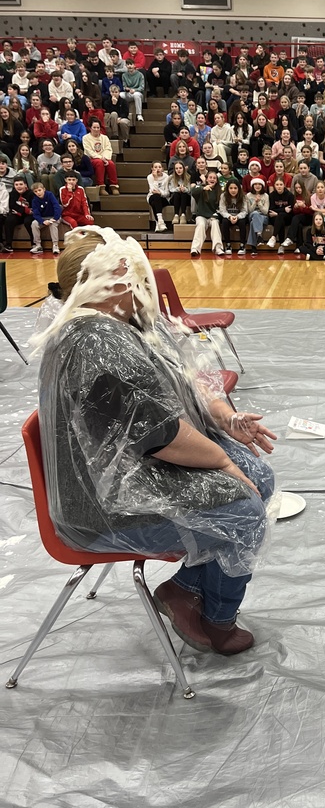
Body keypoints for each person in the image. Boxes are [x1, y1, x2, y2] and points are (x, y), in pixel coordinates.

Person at [36, 228, 277, 655]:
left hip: (132, 467)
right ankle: (219, 620)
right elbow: (160, 435)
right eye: (136, 276)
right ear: (112, 281)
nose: (144, 284)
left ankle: (185, 589)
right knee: (244, 508)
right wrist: (223, 463)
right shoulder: (96, 342)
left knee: (257, 473)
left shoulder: (120, 320)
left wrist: (227, 416)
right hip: (100, 508)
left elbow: (186, 376)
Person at [190, 169, 225, 257]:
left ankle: (218, 248)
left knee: (215, 224)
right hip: (201, 215)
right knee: (201, 225)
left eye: (214, 178)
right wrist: (203, 186)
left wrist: (217, 214)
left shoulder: (220, 191)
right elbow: (193, 191)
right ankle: (195, 248)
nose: (212, 179)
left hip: (213, 216)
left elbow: (221, 207)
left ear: (217, 181)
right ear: (207, 179)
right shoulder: (201, 188)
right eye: (210, 177)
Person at [83, 120, 120, 195]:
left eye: (98, 127)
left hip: (104, 158)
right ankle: (101, 187)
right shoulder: (85, 138)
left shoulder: (104, 138)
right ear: (90, 128)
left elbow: (108, 149)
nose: (96, 129)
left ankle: (114, 186)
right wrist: (101, 158)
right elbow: (89, 151)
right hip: (91, 159)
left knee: (111, 164)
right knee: (99, 163)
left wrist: (105, 158)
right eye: (94, 127)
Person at [30, 181, 62, 254]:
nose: (38, 193)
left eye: (39, 190)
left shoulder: (50, 195)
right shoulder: (34, 200)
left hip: (54, 216)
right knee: (34, 224)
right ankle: (38, 245)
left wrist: (54, 218)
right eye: (36, 191)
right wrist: (42, 221)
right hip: (43, 218)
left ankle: (55, 245)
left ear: (44, 189)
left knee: (52, 224)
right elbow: (36, 214)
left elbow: (57, 207)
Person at [218, 180, 249, 255]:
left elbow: (245, 211)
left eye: (235, 188)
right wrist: (230, 217)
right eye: (231, 188)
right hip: (228, 216)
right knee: (224, 221)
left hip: (239, 216)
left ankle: (242, 245)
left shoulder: (243, 196)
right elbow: (222, 210)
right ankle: (228, 245)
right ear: (227, 189)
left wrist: (237, 217)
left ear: (239, 189)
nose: (233, 190)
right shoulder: (223, 196)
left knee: (242, 222)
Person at [147, 161, 171, 233]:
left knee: (156, 199)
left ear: (163, 169)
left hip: (164, 198)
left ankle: (158, 223)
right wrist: (156, 179)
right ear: (152, 169)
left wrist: (160, 193)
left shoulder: (166, 177)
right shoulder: (150, 177)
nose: (158, 169)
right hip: (152, 197)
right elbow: (153, 190)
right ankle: (160, 221)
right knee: (155, 197)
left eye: (160, 167)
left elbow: (167, 193)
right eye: (155, 167)